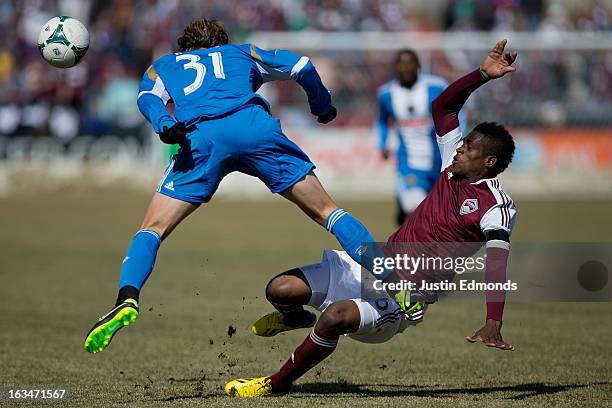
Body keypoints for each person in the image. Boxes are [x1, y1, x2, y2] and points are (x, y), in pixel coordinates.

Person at [225, 39, 518, 398]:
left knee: (333, 319)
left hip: (404, 298)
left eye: (469, 146)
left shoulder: (496, 205)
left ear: (489, 161)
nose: (459, 147)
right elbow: (444, 106)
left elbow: (497, 262)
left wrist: (494, 320)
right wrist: (482, 75)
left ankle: (276, 383)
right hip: (374, 265)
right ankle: (294, 316)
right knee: (279, 289)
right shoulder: (450, 168)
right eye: (463, 142)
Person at [83, 19, 388, 354]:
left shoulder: (163, 66)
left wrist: (165, 124)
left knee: (152, 229)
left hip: (203, 140)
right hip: (254, 129)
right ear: (220, 42)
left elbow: (146, 98)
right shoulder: (241, 53)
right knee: (329, 211)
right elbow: (302, 66)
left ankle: (126, 299)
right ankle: (390, 280)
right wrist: (321, 105)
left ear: (184, 48)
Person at [377, 49, 464, 225]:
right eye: (402, 63)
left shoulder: (436, 86)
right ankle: (415, 248)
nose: (406, 67)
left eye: (410, 63)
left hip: (438, 159)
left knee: (441, 211)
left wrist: (459, 140)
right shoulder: (386, 93)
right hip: (408, 162)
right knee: (415, 208)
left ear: (418, 65)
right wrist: (383, 144)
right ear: (395, 67)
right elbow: (382, 121)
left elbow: (456, 112)